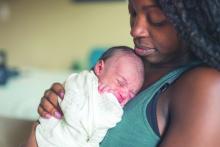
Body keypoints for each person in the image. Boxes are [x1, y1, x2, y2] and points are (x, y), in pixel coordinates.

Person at [34, 0, 220, 146]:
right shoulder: (132, 64)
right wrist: (59, 101)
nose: (135, 30)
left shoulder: (207, 87)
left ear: (193, 20)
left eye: (155, 18)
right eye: (133, 13)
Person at [25, 46, 144, 147]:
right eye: (120, 83)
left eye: (131, 94)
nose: (124, 94)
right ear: (99, 68)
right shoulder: (84, 80)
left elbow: (98, 136)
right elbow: (69, 102)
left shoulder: (114, 111)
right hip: (45, 137)